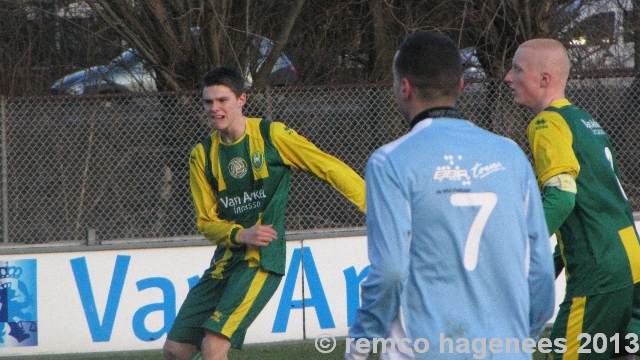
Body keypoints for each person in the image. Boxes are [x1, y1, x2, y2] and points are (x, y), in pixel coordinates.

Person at [346, 31, 555, 360]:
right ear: (460, 86)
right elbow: (540, 269)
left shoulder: (390, 161)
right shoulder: (511, 154)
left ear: (404, 87)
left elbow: (390, 271)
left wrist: (361, 342)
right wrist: (520, 338)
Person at [163, 67, 366, 360]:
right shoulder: (202, 154)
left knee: (213, 345)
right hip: (225, 261)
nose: (214, 108)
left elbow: (328, 166)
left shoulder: (272, 136)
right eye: (208, 102)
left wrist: (371, 205)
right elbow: (206, 223)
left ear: (242, 99)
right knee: (175, 351)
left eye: (222, 100)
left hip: (260, 259)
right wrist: (239, 234)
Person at [505, 38, 640, 360]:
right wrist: (550, 262)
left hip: (598, 270)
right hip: (628, 259)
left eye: (517, 69)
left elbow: (562, 200)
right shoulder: (584, 121)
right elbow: (593, 206)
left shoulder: (546, 123)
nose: (508, 77)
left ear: (544, 79)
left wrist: (515, 248)